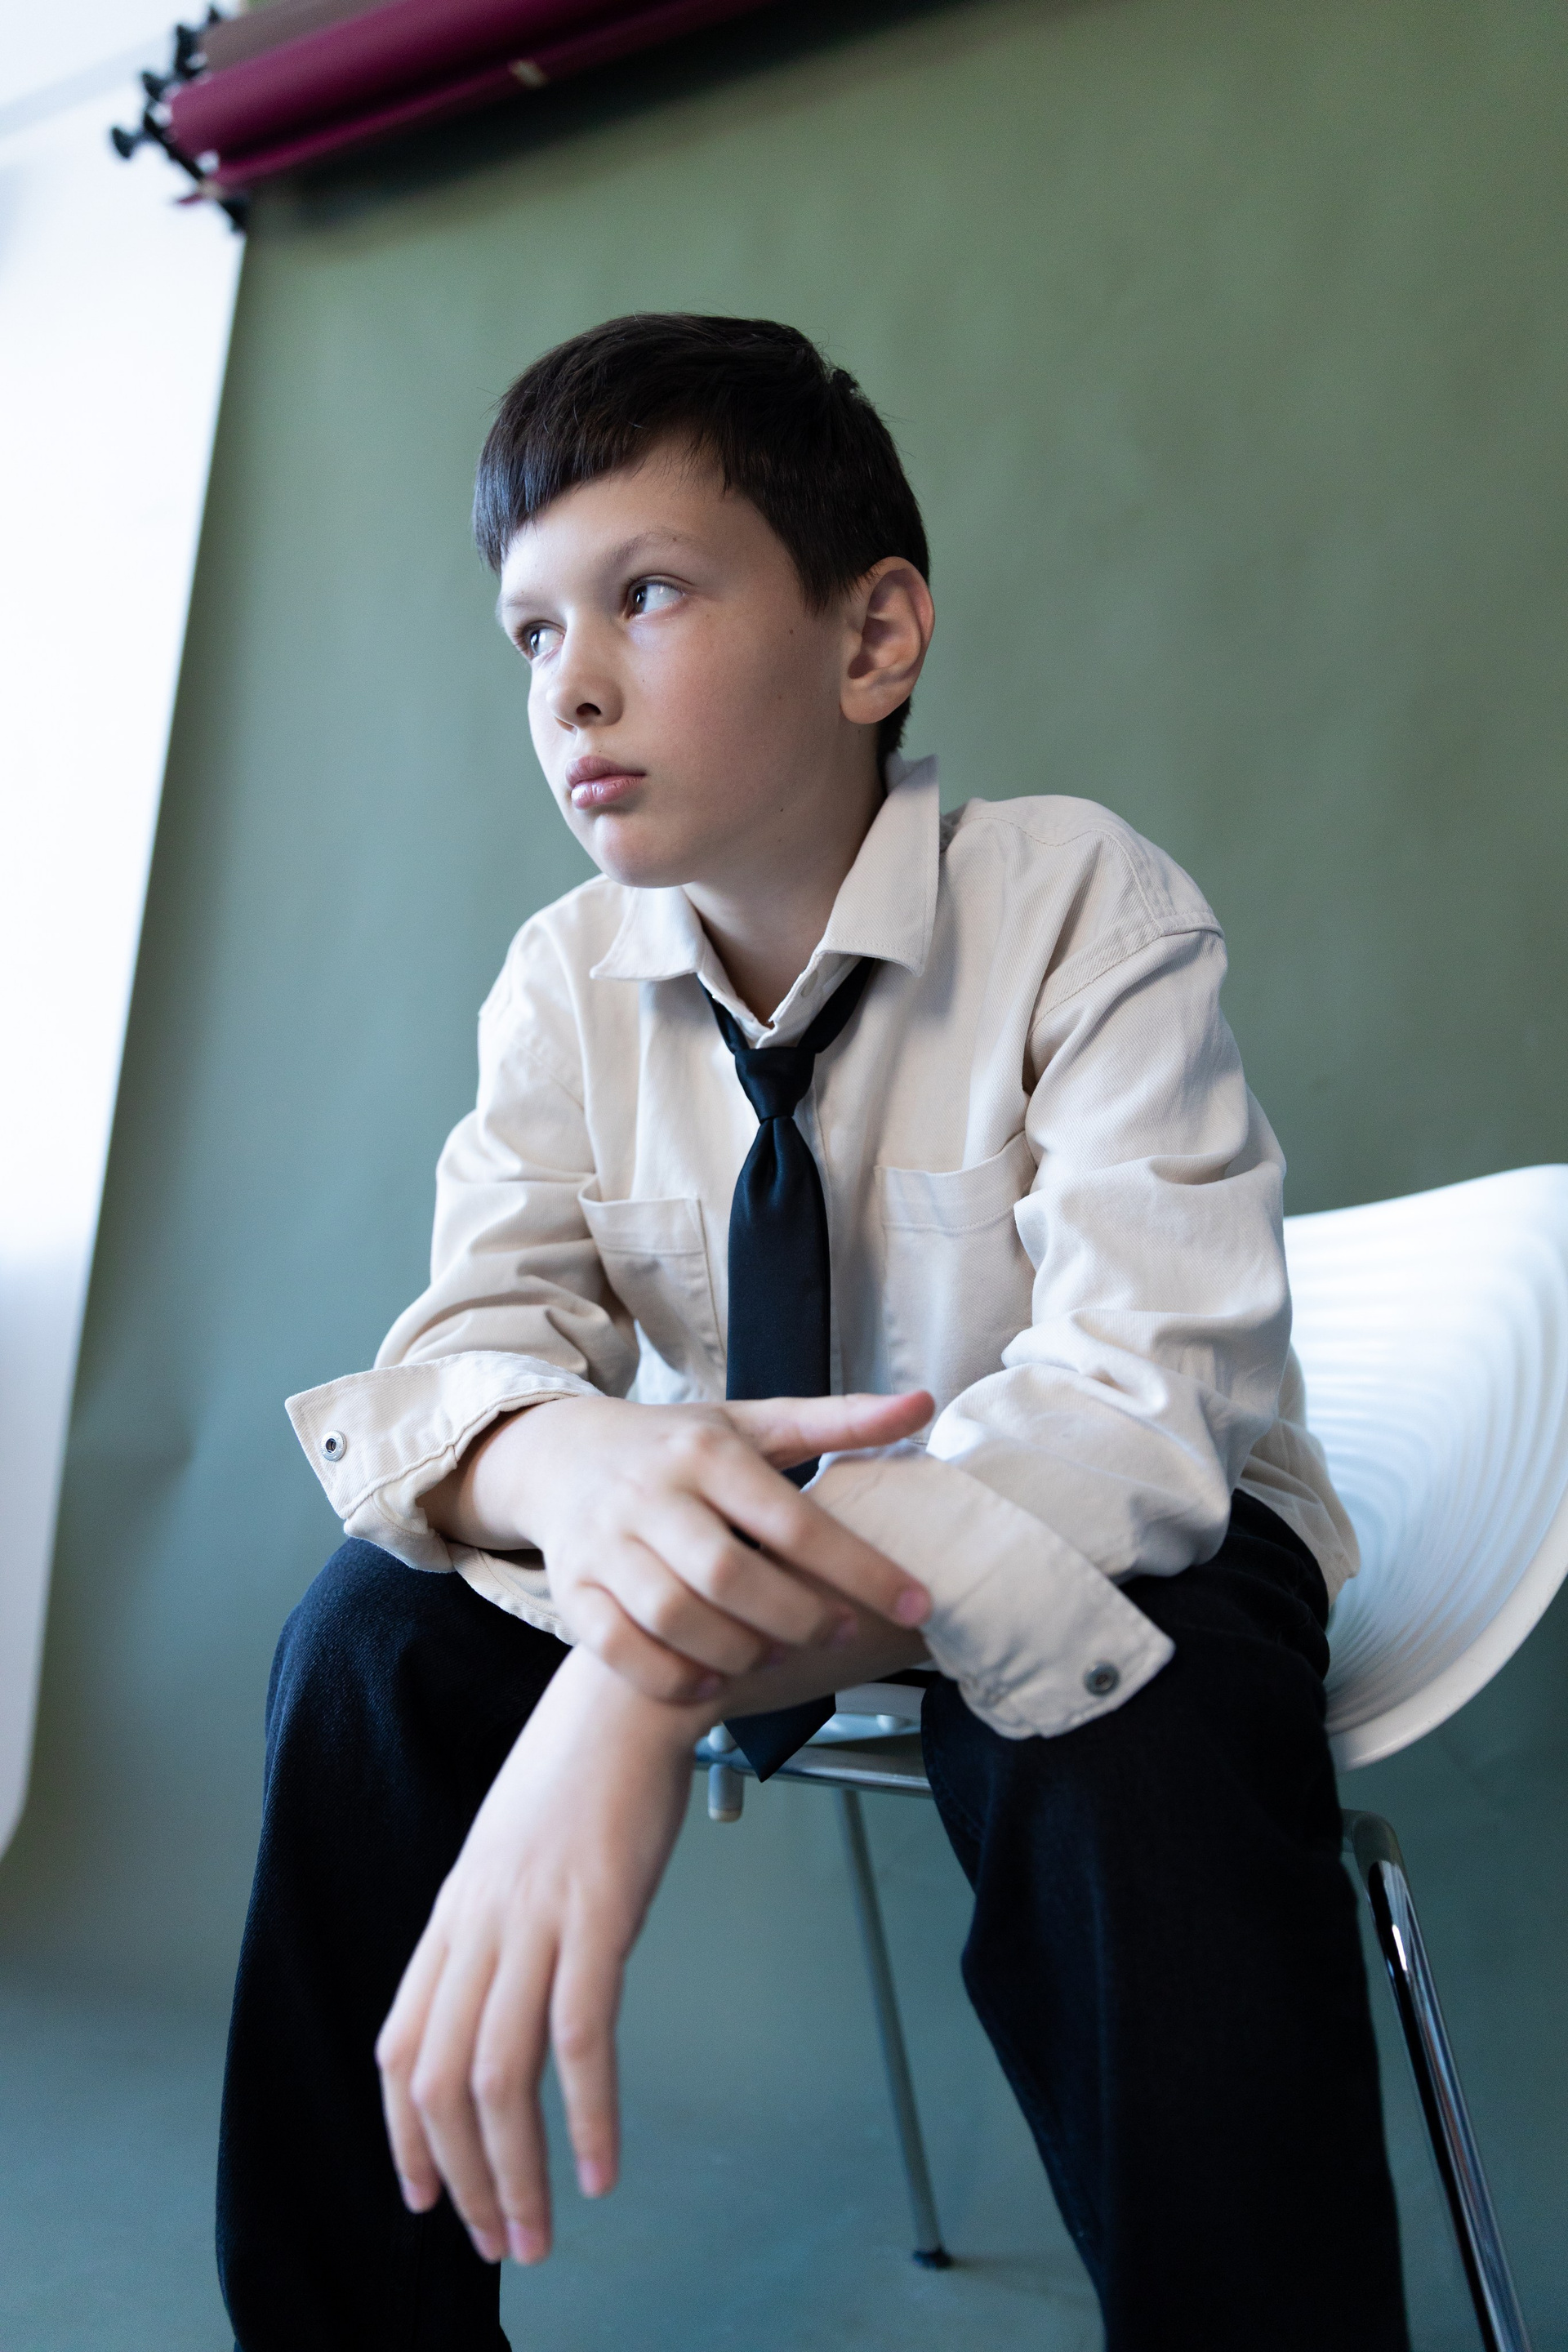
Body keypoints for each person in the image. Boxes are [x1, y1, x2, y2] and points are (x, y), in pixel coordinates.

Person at [216, 314, 1411, 2352]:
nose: (571, 684)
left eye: (647, 595)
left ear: (873, 638)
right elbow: (475, 1342)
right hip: (740, 1538)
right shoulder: (565, 979)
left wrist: (644, 1673)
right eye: (530, 633)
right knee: (366, 1643)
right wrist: (562, 1457)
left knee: (1129, 1701)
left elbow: (1137, 1417)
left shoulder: (1082, 901)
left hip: (1133, 1530)